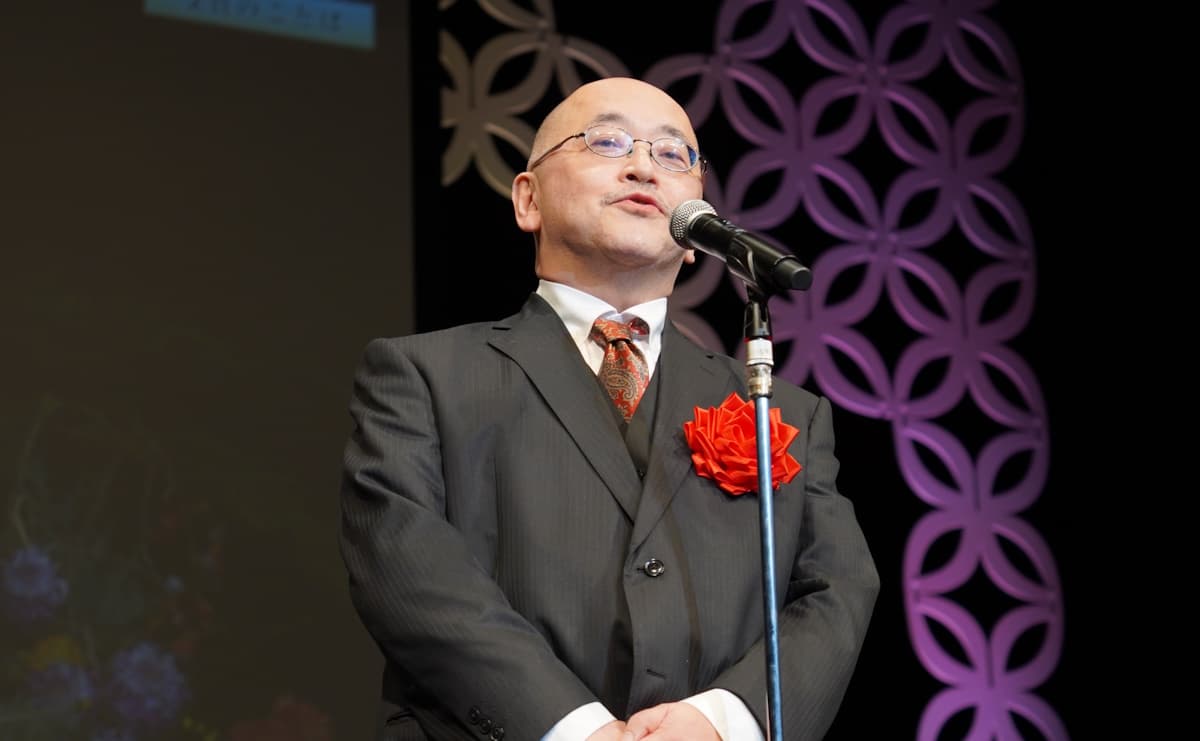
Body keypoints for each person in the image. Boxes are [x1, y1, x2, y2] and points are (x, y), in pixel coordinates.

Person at [339, 76, 879, 741]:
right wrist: (575, 728)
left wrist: (721, 720)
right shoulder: (425, 375)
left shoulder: (780, 410)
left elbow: (836, 590)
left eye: (673, 154)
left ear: (696, 230)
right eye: (608, 141)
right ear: (528, 199)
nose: (643, 167)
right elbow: (410, 568)